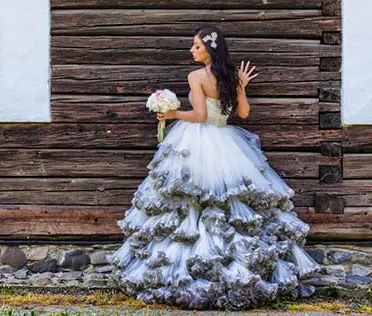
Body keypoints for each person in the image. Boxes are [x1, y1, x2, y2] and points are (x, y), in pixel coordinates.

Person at [108, 26, 321, 309]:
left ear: (210, 49)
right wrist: (242, 86)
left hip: (197, 140)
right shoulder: (231, 76)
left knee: (190, 200)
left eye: (196, 46)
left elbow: (199, 115)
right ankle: (236, 265)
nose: (192, 50)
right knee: (228, 202)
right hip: (227, 142)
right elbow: (243, 113)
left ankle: (188, 266)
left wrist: (172, 113)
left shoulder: (196, 76)